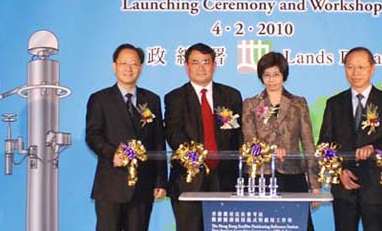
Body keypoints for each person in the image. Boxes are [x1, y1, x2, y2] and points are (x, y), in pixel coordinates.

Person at [318, 47, 382, 231]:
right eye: (350, 67)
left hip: (377, 190)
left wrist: (374, 147)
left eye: (361, 67)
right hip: (344, 188)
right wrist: (339, 170)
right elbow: (325, 144)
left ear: (372, 69)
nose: (355, 73)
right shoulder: (334, 103)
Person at [86, 43, 167, 231]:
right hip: (111, 184)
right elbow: (93, 135)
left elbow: (158, 141)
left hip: (143, 184)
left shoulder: (152, 100)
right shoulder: (100, 99)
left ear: (141, 68)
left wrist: (160, 180)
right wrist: (112, 153)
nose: (128, 68)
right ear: (114, 66)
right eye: (123, 63)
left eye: (134, 63)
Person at [164, 43, 243, 231]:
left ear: (214, 65)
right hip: (189, 178)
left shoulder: (231, 95)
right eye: (195, 62)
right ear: (186, 66)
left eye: (206, 62)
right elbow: (173, 133)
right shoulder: (175, 97)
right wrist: (194, 156)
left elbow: (239, 135)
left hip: (226, 178)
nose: (201, 67)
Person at [242, 52, 321, 231]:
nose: (271, 80)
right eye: (266, 75)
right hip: (261, 176)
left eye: (276, 74)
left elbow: (308, 143)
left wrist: (315, 185)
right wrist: (270, 150)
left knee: (298, 225)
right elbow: (250, 142)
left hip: (292, 175)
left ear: (284, 75)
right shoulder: (251, 104)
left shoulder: (298, 103)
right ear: (261, 77)